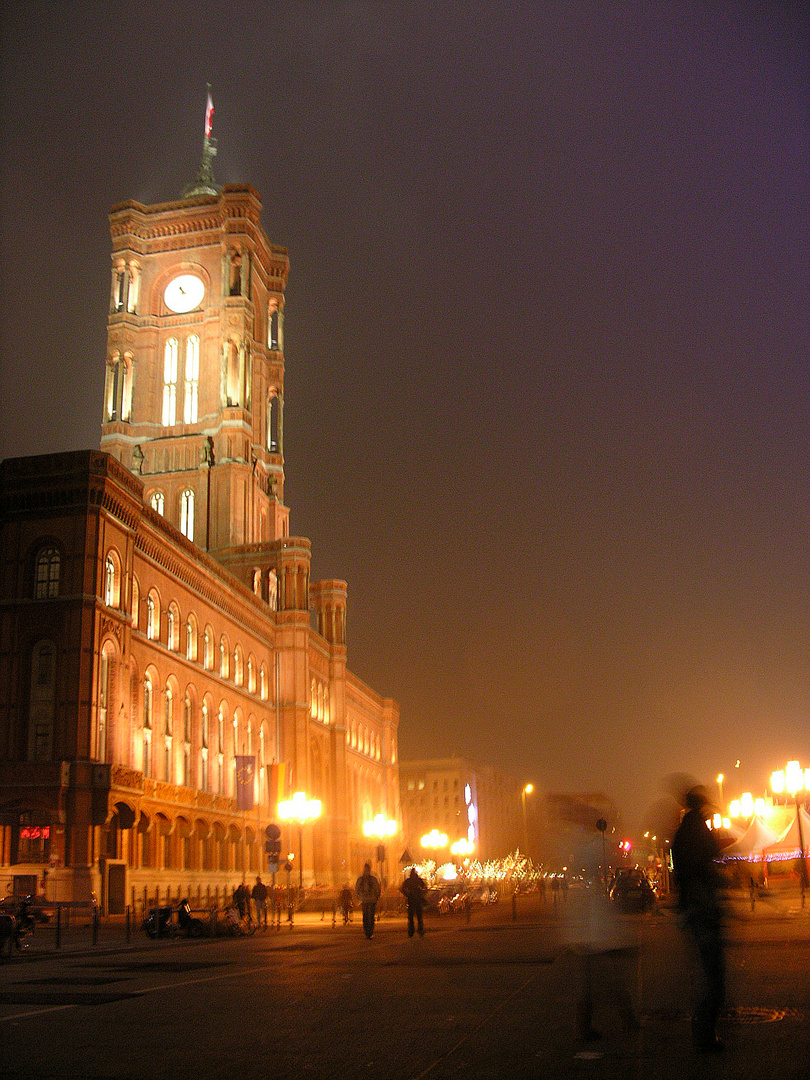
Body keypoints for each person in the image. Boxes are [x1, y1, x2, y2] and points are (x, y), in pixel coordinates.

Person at [671, 785, 726, 1053]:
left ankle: (703, 1032)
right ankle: (704, 1036)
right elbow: (710, 859)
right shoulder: (697, 832)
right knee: (713, 976)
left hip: (695, 908)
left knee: (706, 974)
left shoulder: (682, 833)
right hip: (703, 908)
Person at [355, 862, 381, 939]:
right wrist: (377, 897)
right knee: (371, 916)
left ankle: (367, 932)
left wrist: (360, 896)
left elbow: (356, 889)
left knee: (365, 916)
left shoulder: (361, 879)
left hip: (364, 900)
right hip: (372, 900)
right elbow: (377, 889)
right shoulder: (373, 879)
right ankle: (370, 932)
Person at [401, 867, 427, 937]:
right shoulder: (417, 880)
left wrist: (407, 894)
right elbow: (425, 887)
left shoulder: (409, 881)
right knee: (418, 916)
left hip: (411, 900)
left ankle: (411, 931)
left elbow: (402, 888)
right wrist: (421, 893)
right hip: (416, 900)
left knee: (411, 917)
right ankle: (420, 930)